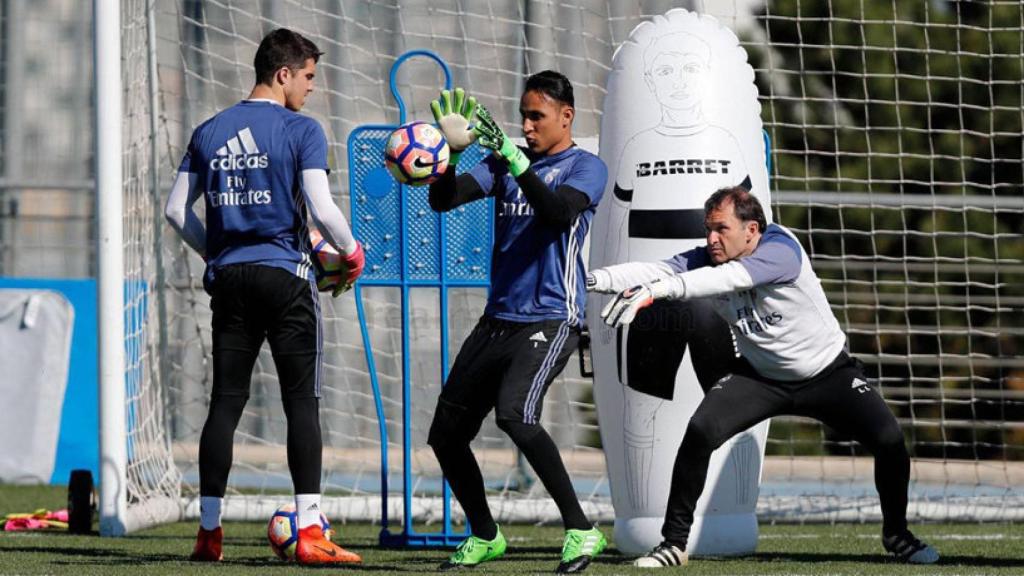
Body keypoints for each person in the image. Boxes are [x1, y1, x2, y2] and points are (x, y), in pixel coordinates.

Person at [587, 186, 939, 568]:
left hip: (827, 373)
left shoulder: (781, 250)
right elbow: (657, 269)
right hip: (760, 378)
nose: (711, 239)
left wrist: (658, 292)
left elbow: (725, 280)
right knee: (701, 430)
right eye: (708, 229)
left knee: (890, 440)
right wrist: (593, 280)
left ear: (752, 229)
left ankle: (896, 534)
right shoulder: (710, 257)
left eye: (721, 228)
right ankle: (674, 544)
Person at [164, 28, 364, 565]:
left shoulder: (209, 131)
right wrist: (350, 250)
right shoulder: (302, 129)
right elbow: (321, 208)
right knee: (302, 401)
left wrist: (216, 255)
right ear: (283, 74)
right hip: (285, 278)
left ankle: (209, 532)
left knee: (226, 402)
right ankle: (309, 530)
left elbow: (175, 211)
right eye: (308, 77)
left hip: (230, 280)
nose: (311, 89)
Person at [425, 71, 608, 573]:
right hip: (497, 319)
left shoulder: (586, 167)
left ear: (566, 117)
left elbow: (556, 213)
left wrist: (515, 159)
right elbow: (442, 200)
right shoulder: (501, 163)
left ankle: (582, 530)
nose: (526, 126)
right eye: (523, 116)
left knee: (515, 415)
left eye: (537, 117)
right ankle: (486, 535)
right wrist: (451, 154)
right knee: (445, 433)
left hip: (552, 318)